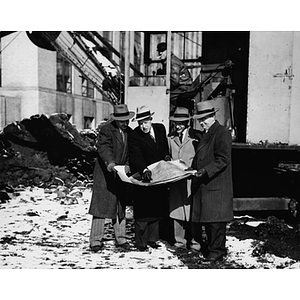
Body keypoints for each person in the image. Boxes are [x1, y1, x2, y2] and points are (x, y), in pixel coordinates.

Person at [88, 104, 135, 252]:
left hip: (121, 175)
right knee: (100, 207)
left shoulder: (129, 132)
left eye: (127, 120)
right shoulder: (106, 130)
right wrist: (111, 163)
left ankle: (121, 238)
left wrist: (128, 166)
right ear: (116, 120)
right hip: (105, 174)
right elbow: (103, 147)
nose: (125, 123)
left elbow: (131, 152)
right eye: (122, 121)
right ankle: (95, 240)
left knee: (119, 206)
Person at [191, 100, 233, 263]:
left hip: (216, 185)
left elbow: (223, 159)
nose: (202, 122)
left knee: (216, 222)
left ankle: (217, 252)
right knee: (209, 220)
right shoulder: (208, 132)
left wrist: (204, 171)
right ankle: (213, 249)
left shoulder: (221, 132)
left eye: (205, 119)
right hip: (208, 184)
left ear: (213, 116)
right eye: (200, 119)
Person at [128, 106, 171, 251]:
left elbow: (164, 147)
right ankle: (141, 242)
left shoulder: (160, 129)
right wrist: (143, 169)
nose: (143, 126)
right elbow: (135, 155)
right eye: (140, 123)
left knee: (156, 208)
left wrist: (166, 156)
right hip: (143, 177)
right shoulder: (135, 135)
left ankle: (153, 239)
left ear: (151, 120)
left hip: (159, 176)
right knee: (142, 210)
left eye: (145, 122)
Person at [167, 107, 202, 251]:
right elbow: (168, 154)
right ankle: (179, 242)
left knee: (193, 210)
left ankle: (195, 242)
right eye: (176, 123)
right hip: (176, 180)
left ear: (188, 123)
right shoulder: (171, 137)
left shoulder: (196, 137)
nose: (179, 125)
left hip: (191, 180)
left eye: (182, 123)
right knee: (176, 211)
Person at [157, 42, 194, 114]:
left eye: (162, 51)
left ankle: (168, 116)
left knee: (164, 96)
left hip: (183, 88)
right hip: (182, 87)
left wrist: (164, 88)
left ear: (168, 51)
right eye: (159, 51)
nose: (160, 53)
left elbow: (174, 81)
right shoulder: (169, 61)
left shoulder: (172, 62)